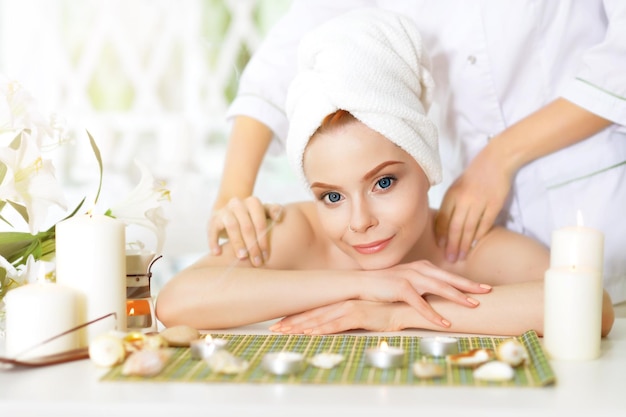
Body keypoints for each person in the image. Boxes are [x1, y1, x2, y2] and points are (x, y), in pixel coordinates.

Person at [158, 9, 615, 336]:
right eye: (331, 196)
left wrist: (393, 312)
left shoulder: (461, 244)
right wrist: (367, 284)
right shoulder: (302, 231)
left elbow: (591, 307)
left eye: (383, 182)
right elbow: (177, 302)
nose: (359, 222)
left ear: (427, 167)